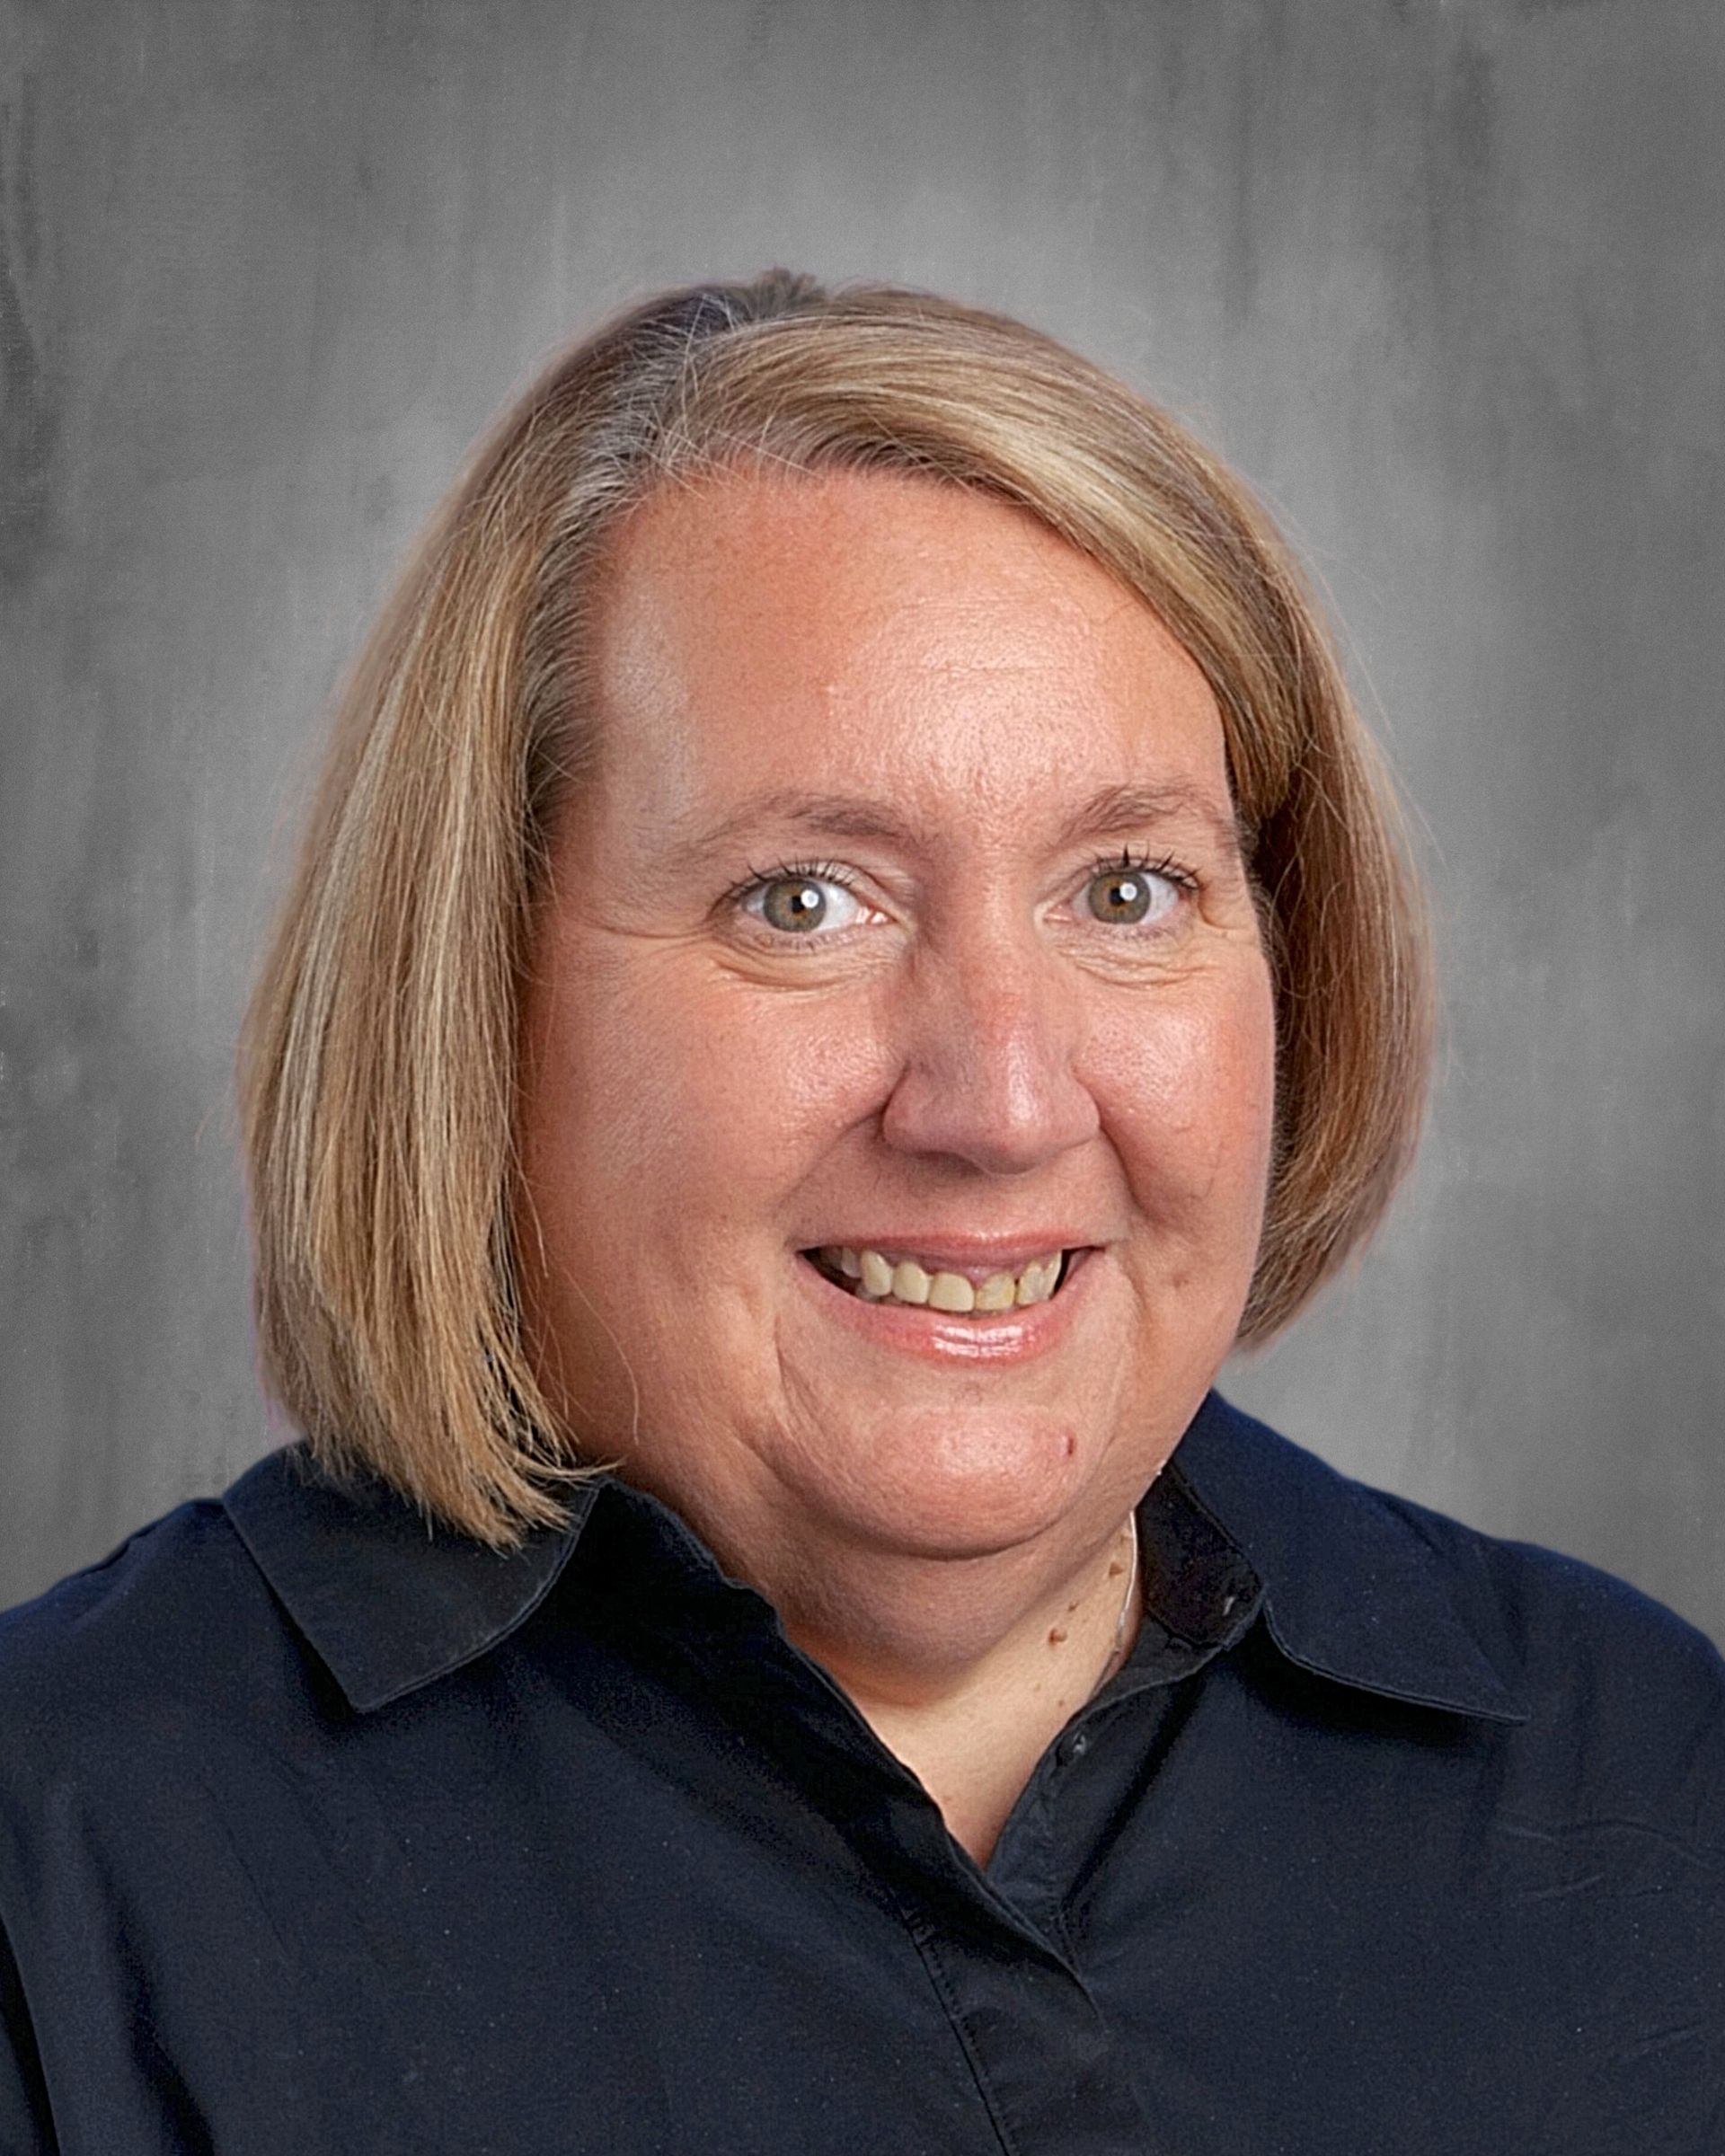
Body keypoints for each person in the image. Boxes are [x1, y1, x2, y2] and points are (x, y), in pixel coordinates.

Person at [1, 271, 1719, 2154]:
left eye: (1129, 892)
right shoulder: (67, 1880)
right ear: (472, 995)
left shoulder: (1643, 1788)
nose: (997, 1101)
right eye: (804, 901)